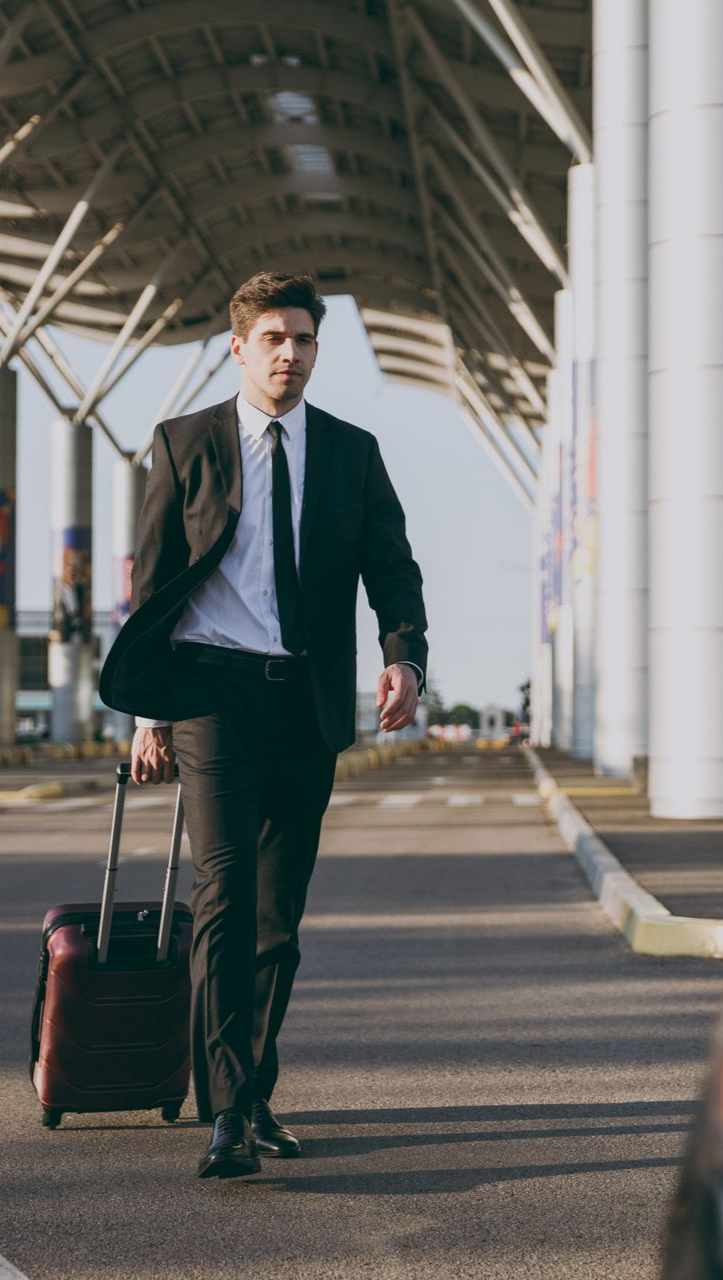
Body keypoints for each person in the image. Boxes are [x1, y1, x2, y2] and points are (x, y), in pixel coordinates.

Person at [99, 271, 428, 1179]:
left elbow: (392, 566)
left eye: (304, 339)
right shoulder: (185, 443)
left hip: (305, 698)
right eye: (274, 339)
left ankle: (252, 1094)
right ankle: (228, 1113)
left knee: (278, 916)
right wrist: (150, 712)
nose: (291, 354)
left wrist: (403, 656)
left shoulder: (352, 452)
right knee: (225, 893)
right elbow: (154, 581)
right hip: (210, 694)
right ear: (239, 348)